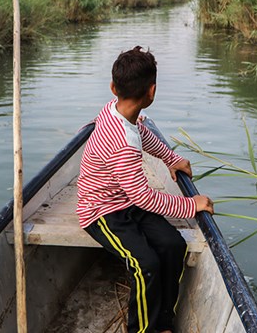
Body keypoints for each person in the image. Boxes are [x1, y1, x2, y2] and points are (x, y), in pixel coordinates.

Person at [76, 46, 214, 333]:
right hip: (101, 211)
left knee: (173, 245)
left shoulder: (118, 112)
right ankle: (142, 329)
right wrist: (192, 205)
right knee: (145, 263)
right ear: (152, 91)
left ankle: (164, 320)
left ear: (114, 87)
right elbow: (143, 196)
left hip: (124, 200)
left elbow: (144, 135)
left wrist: (172, 159)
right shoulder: (122, 143)